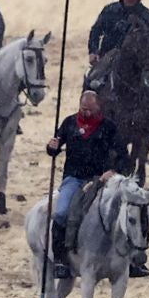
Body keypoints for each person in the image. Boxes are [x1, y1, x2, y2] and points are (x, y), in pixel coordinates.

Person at [44, 89, 125, 280]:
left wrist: (112, 171)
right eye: (83, 109)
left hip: (99, 179)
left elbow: (123, 155)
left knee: (121, 213)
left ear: (98, 107)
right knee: (62, 212)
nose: (86, 113)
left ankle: (130, 257)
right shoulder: (70, 123)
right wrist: (51, 147)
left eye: (90, 109)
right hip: (73, 178)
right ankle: (60, 259)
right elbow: (54, 148)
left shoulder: (108, 127)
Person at [87, 0, 149, 137]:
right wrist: (93, 51)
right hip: (109, 55)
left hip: (137, 61)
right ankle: (87, 117)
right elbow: (96, 31)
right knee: (92, 81)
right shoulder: (110, 10)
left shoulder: (146, 14)